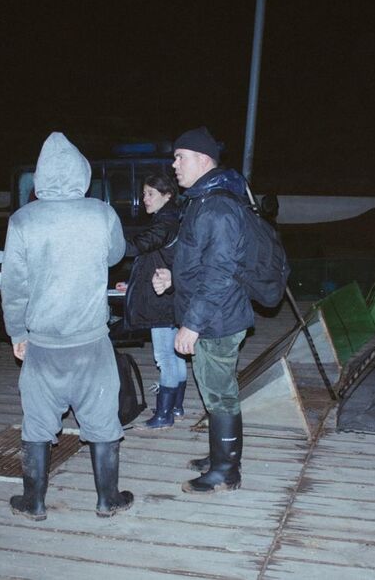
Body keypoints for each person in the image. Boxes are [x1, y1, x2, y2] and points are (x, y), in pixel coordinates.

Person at [1, 132, 131, 520]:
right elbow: (116, 255)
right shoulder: (101, 213)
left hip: (42, 345)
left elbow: (14, 285)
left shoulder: (22, 220)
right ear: (82, 173)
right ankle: (108, 498)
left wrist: (17, 333)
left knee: (37, 423)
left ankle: (34, 502)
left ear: (39, 177)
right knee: (102, 421)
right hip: (91, 342)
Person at [152, 126, 253, 494]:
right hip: (213, 314)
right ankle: (220, 456)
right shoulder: (202, 200)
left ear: (203, 160)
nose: (174, 163)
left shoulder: (218, 207)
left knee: (220, 394)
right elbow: (199, 261)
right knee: (213, 390)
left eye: (181, 157)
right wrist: (174, 279)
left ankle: (226, 471)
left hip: (217, 319)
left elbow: (219, 275)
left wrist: (191, 325)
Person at [118, 173, 187, 429]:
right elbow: (156, 259)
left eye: (150, 194)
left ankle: (164, 414)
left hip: (163, 301)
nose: (144, 199)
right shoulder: (171, 218)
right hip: (170, 297)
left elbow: (139, 246)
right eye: (144, 193)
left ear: (167, 195)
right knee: (177, 354)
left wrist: (109, 243)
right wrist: (133, 284)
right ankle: (176, 406)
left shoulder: (165, 222)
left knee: (165, 357)